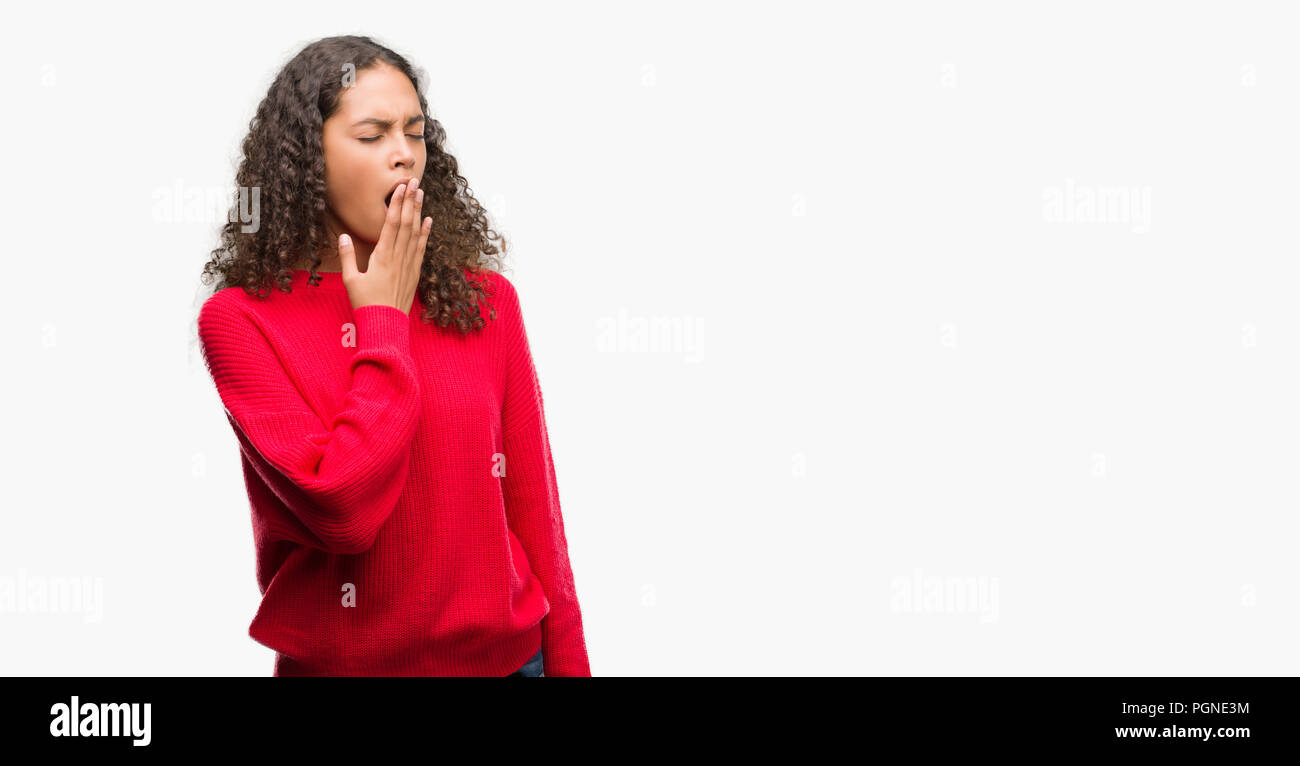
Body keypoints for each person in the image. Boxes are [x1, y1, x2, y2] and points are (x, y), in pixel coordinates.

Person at [196, 35, 589, 677]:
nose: (405, 156)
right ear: (307, 161)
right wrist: (382, 318)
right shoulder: (242, 321)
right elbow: (344, 513)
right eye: (373, 135)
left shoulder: (486, 302)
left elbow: (537, 518)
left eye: (415, 131)